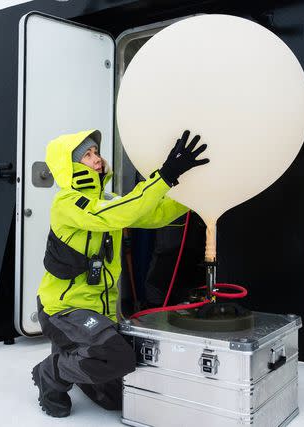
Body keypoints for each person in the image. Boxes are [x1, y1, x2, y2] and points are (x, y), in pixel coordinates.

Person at [32, 129, 209, 417]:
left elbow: (155, 214)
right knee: (116, 356)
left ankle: (67, 356)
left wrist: (197, 197)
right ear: (70, 166)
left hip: (99, 314)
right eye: (86, 155)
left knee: (115, 397)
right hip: (63, 311)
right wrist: (165, 175)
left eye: (95, 152)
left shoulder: (109, 199)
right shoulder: (68, 204)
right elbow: (120, 213)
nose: (96, 158)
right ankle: (51, 372)